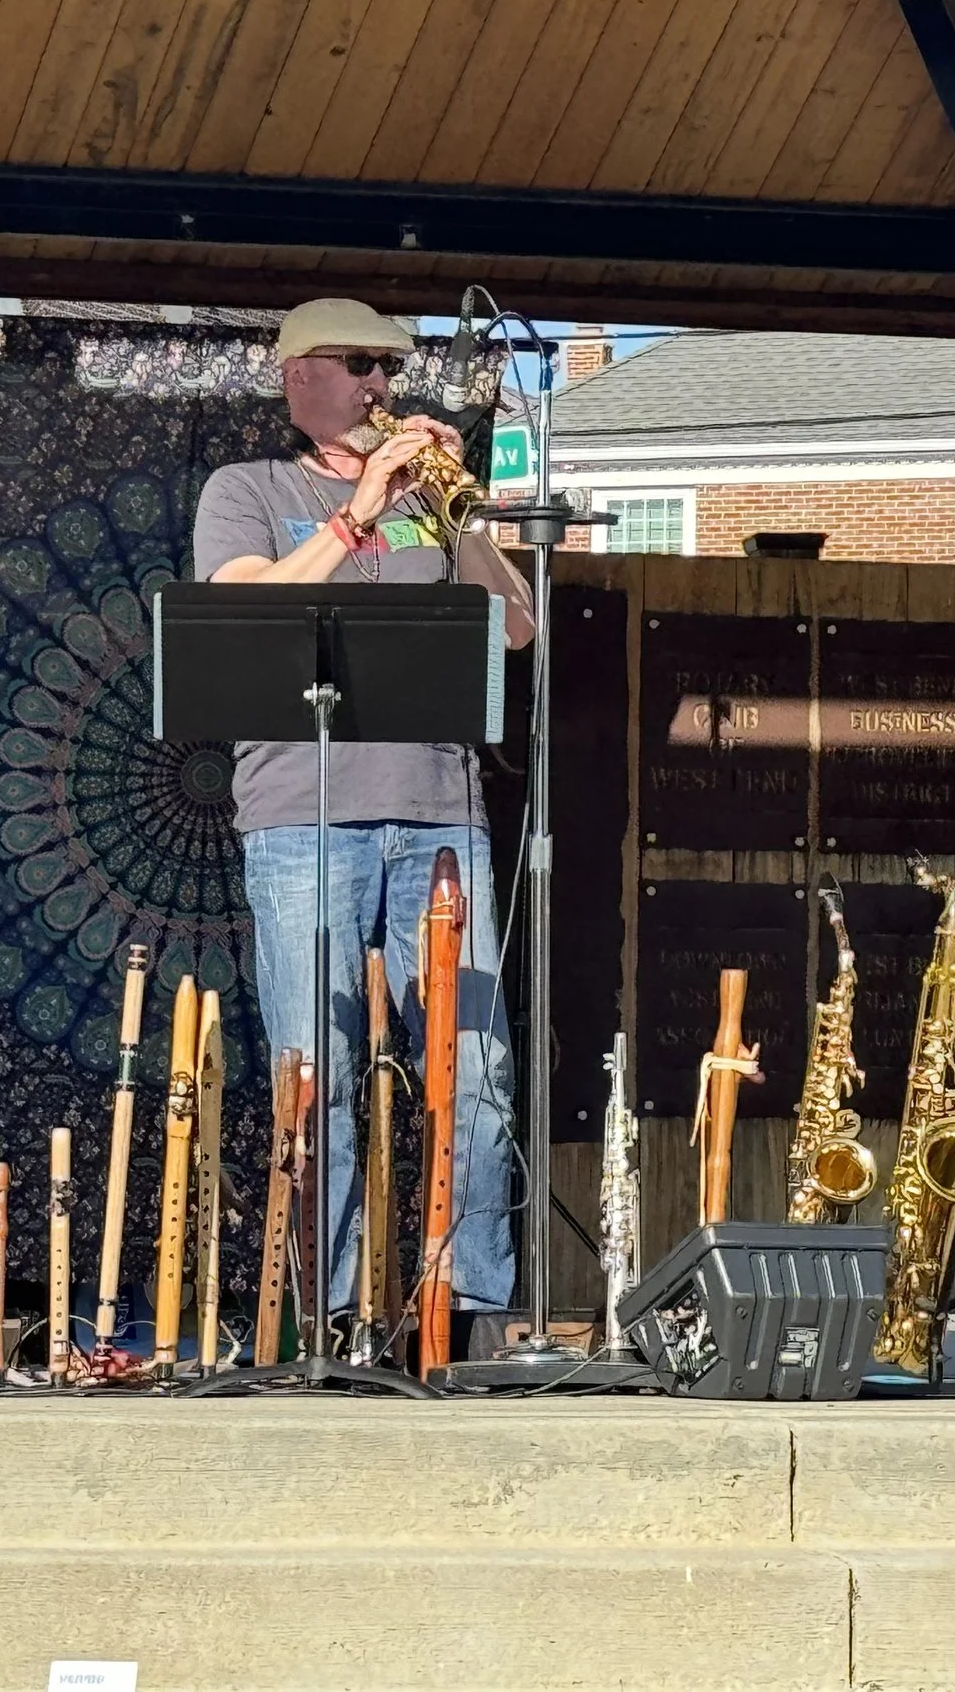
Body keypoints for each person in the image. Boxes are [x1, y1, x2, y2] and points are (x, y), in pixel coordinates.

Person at [190, 298, 537, 1344]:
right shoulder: (249, 490)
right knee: (318, 1077)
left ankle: (463, 1305)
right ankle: (330, 1311)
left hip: (440, 814)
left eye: (392, 369)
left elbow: (513, 630)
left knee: (475, 1074)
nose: (385, 387)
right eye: (361, 367)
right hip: (304, 819)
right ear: (300, 378)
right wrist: (352, 520)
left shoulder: (430, 505)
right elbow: (240, 610)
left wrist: (460, 518)